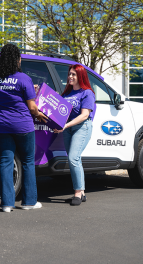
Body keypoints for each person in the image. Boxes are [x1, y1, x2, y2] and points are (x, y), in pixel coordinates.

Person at [0, 43, 47, 213]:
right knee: (28, 161)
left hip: (1, 125)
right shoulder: (23, 78)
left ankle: (7, 203)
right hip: (22, 125)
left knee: (5, 162)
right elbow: (32, 107)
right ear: (18, 60)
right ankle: (29, 202)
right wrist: (40, 115)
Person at [54, 64, 95, 206]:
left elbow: (84, 115)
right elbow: (57, 111)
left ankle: (78, 192)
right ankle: (81, 193)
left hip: (82, 127)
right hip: (68, 128)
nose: (70, 77)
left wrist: (65, 125)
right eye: (69, 74)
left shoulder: (87, 93)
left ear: (80, 76)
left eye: (73, 74)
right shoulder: (66, 94)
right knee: (75, 160)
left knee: (73, 158)